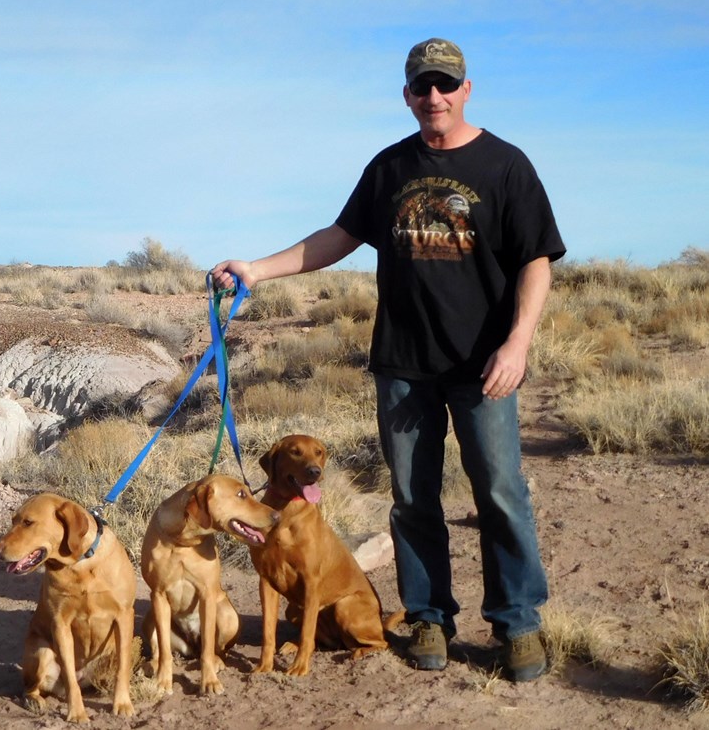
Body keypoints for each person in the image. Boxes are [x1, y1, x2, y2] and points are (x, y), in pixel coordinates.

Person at [211, 37, 564, 682]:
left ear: (466, 89)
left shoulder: (507, 166)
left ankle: (518, 625)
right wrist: (255, 270)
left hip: (485, 365)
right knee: (411, 498)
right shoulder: (389, 167)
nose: (434, 97)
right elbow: (338, 238)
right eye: (422, 87)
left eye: (446, 85)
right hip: (404, 364)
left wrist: (518, 343)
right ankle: (429, 615)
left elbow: (535, 261)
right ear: (407, 94)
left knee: (502, 494)